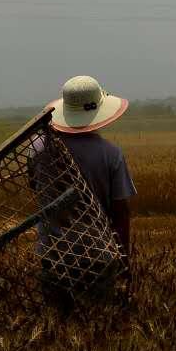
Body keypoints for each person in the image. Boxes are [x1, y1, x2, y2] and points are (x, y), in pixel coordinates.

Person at [31, 76, 135, 305]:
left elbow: (36, 188)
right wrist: (124, 259)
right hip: (98, 254)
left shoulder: (38, 148)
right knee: (99, 323)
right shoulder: (110, 154)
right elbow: (121, 212)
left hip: (53, 254)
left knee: (58, 329)